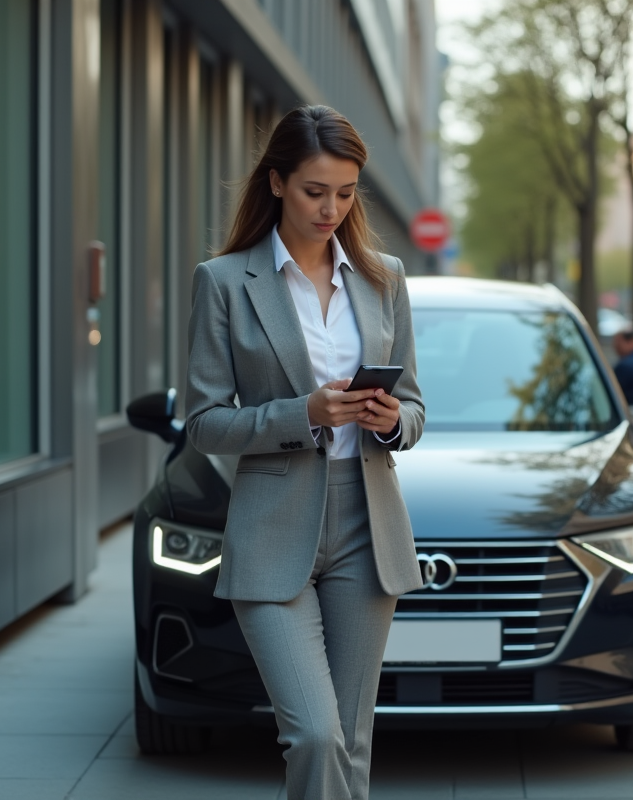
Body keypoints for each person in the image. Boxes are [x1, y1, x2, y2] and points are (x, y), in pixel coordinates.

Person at [185, 105, 425, 800]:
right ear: (277, 183)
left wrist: (387, 421)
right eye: (316, 190)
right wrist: (305, 415)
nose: (331, 208)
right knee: (316, 735)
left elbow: (413, 408)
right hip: (272, 526)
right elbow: (202, 422)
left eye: (346, 192)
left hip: (367, 527)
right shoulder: (225, 281)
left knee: (350, 739)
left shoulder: (384, 278)